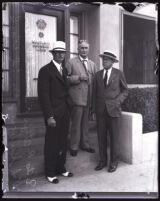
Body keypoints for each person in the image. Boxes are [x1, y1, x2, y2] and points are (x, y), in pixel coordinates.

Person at [38, 41, 73, 184]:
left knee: (62, 141)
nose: (60, 55)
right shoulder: (45, 70)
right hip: (53, 114)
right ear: (53, 53)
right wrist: (49, 116)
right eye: (57, 52)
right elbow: (43, 95)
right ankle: (50, 172)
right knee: (52, 143)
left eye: (62, 52)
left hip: (64, 112)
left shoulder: (64, 70)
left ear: (65, 54)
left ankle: (61, 168)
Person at [92, 50, 128, 172]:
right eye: (103, 59)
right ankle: (102, 161)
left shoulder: (118, 74)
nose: (104, 61)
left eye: (107, 59)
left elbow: (125, 91)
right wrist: (93, 110)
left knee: (114, 138)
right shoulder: (97, 75)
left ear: (113, 62)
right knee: (101, 137)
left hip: (114, 111)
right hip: (100, 111)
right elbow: (94, 94)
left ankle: (113, 162)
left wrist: (117, 101)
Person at [66, 40, 97, 156]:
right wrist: (79, 78)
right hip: (77, 99)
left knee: (85, 124)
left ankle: (85, 144)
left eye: (86, 48)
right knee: (76, 124)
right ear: (78, 49)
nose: (84, 50)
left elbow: (94, 83)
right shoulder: (71, 62)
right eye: (82, 48)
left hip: (88, 99)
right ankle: (74, 146)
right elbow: (66, 79)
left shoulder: (92, 64)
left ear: (89, 49)